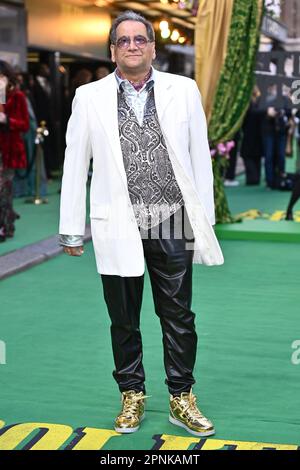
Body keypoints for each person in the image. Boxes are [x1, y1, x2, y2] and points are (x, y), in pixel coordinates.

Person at [59, 11, 224, 436]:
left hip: (172, 219)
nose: (133, 45)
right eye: (124, 40)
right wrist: (71, 228)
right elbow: (75, 164)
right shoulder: (88, 96)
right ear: (113, 50)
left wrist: (203, 219)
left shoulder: (183, 90)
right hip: (117, 223)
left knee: (179, 316)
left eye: (140, 39)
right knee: (123, 317)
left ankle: (181, 397)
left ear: (153, 46)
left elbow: (199, 159)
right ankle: (131, 396)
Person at [0, 60, 29, 242]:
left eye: (1, 76)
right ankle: (8, 218)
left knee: (3, 189)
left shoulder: (17, 96)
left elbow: (25, 124)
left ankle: (3, 225)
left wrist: (6, 120)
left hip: (9, 151)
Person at [240, 86, 264, 186]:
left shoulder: (259, 101)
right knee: (248, 155)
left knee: (256, 156)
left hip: (258, 133)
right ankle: (252, 177)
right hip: (248, 132)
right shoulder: (246, 102)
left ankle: (255, 177)